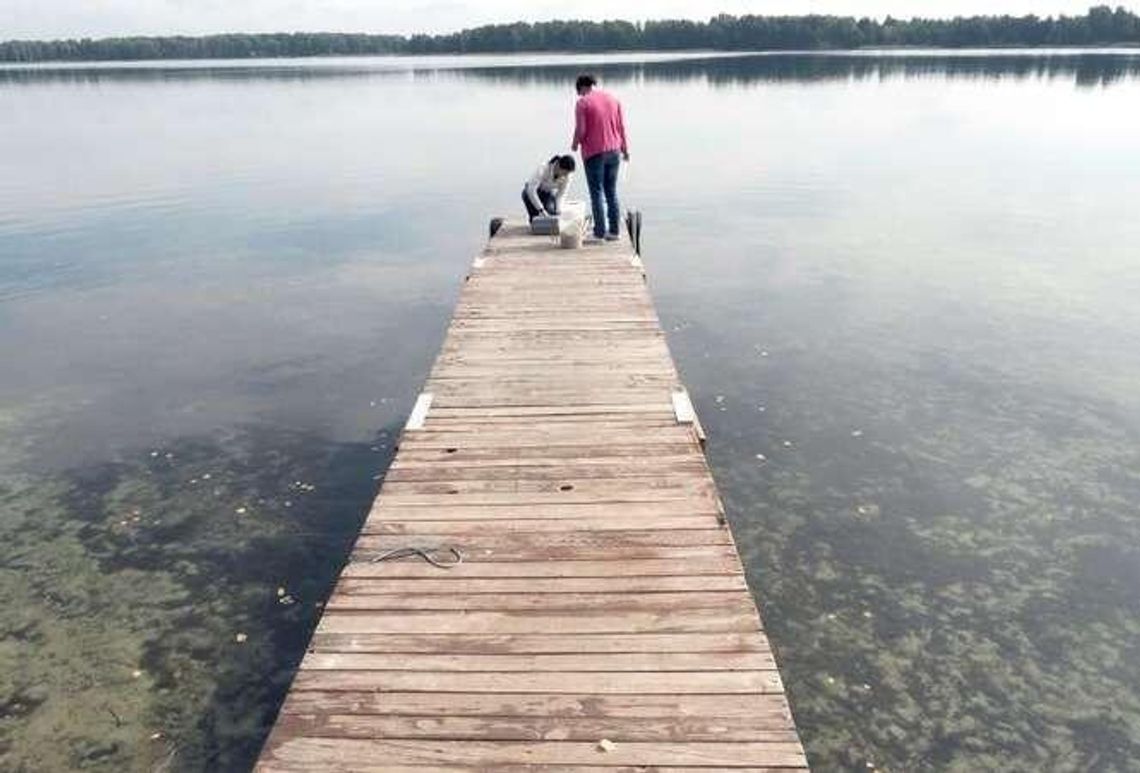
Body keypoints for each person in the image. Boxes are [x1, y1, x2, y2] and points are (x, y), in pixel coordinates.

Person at [571, 74, 629, 242]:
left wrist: (575, 144)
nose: (580, 95)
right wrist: (625, 149)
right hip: (615, 150)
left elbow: (581, 129)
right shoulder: (613, 99)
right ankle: (614, 231)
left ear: (582, 87)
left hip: (594, 152)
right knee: (611, 191)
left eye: (579, 92)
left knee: (596, 192)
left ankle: (599, 233)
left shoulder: (583, 103)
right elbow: (621, 126)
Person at [522, 155, 576, 222]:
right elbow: (531, 190)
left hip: (547, 194)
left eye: (567, 174)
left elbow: (561, 195)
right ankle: (533, 216)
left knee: (552, 214)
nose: (566, 176)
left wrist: (558, 210)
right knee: (536, 218)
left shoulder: (568, 176)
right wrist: (541, 209)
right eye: (564, 173)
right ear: (558, 166)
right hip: (532, 192)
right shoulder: (543, 168)